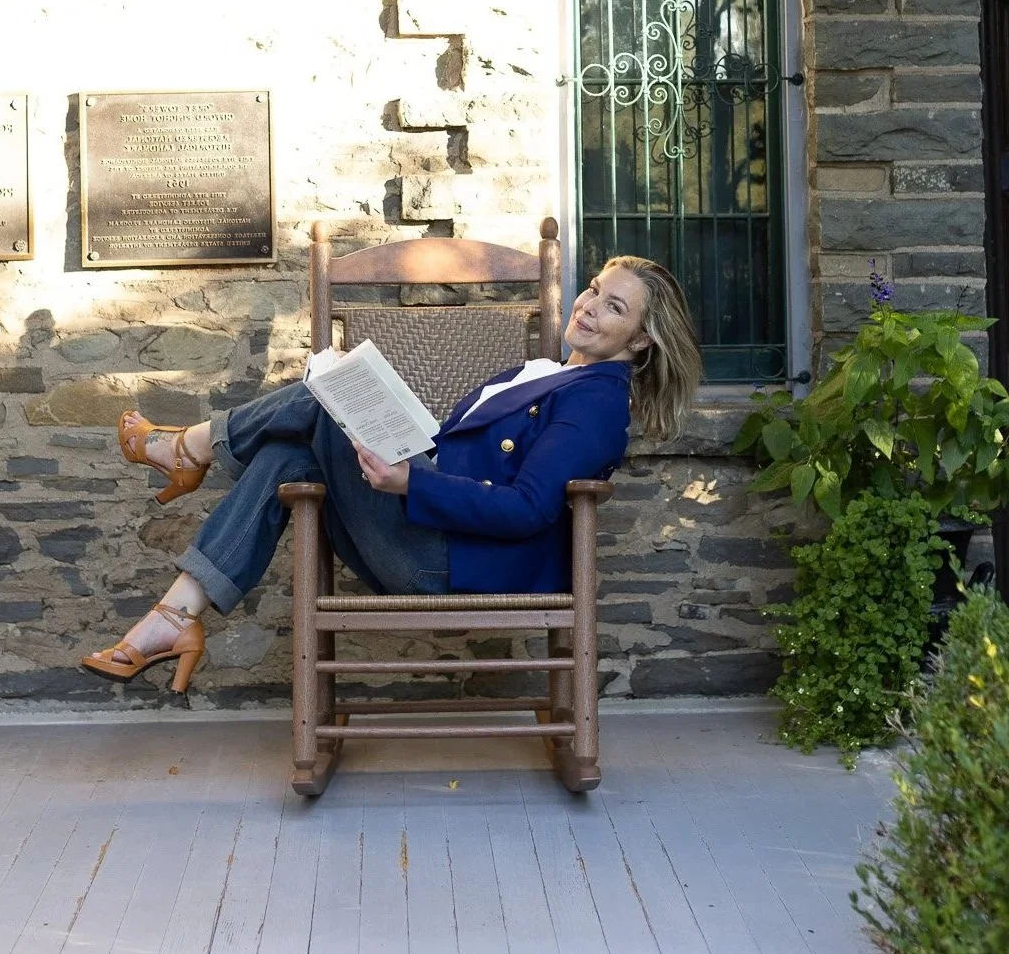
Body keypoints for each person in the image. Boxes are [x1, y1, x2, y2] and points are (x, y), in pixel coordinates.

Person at [81, 254, 702, 692]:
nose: (589, 306)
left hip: (450, 561)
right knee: (287, 456)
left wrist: (412, 482)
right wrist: (389, 423)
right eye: (593, 289)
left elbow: (527, 507)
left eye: (613, 306)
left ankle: (190, 450)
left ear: (641, 340)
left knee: (318, 398)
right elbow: (457, 452)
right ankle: (176, 616)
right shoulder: (539, 371)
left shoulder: (596, 398)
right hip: (421, 532)